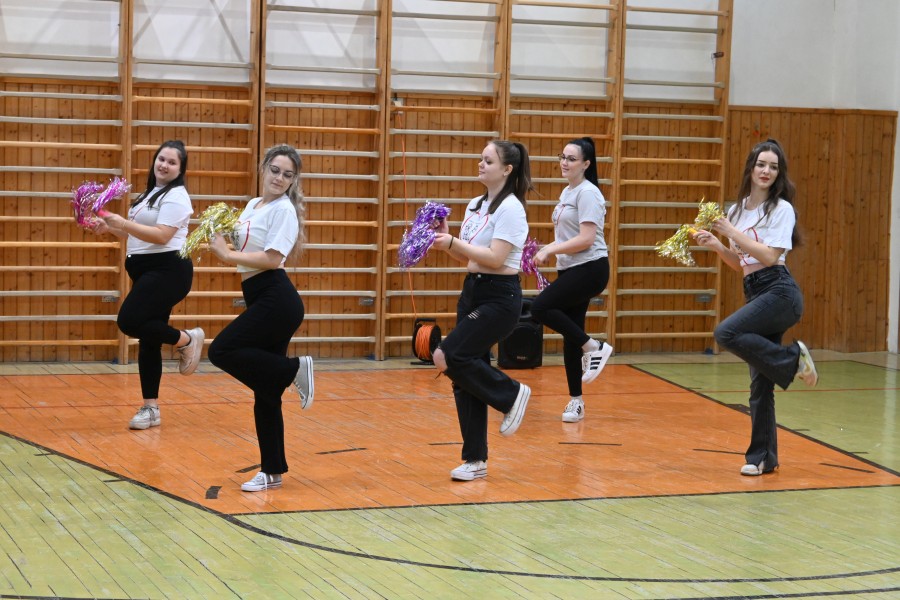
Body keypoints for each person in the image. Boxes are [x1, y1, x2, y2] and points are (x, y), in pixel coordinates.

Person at [693, 138, 818, 477]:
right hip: (755, 291)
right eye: (761, 164)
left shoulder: (781, 209)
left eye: (773, 167)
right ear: (750, 168)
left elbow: (769, 256)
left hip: (780, 292)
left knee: (725, 332)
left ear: (779, 174)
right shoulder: (736, 210)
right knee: (760, 384)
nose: (766, 171)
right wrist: (718, 246)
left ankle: (794, 359)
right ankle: (762, 458)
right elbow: (742, 263)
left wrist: (731, 231)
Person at [207, 143, 314, 493]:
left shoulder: (284, 210)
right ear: (264, 167)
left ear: (293, 180)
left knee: (221, 350)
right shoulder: (254, 205)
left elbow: (271, 258)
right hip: (260, 296)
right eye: (275, 170)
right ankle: (272, 470)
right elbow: (247, 246)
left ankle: (294, 369)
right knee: (265, 392)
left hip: (276, 299)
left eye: (287, 175)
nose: (279, 178)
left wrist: (227, 255)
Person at [429, 140, 533, 482]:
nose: (481, 164)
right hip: (472, 291)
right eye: (481, 159)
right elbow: (469, 256)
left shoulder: (512, 208)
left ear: (507, 169)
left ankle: (511, 394)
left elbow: (496, 258)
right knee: (462, 376)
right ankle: (475, 459)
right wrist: (448, 241)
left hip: (499, 297)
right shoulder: (475, 205)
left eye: (488, 161)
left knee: (448, 355)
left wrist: (454, 243)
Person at [97, 140, 204, 430]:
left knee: (129, 321)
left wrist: (121, 222)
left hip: (168, 271)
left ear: (180, 169)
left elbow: (161, 236)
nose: (164, 165)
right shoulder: (149, 194)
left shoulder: (177, 196)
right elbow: (138, 237)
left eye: (172, 162)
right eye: (161, 159)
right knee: (149, 339)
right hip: (147, 271)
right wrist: (111, 228)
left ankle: (187, 339)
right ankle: (151, 408)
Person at [530, 137, 613, 423]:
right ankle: (576, 401)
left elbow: (587, 239)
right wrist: (545, 249)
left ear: (586, 164)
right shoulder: (568, 191)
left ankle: (594, 347)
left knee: (540, 308)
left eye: (571, 158)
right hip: (570, 269)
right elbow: (568, 236)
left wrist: (550, 250)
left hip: (590, 269)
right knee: (570, 335)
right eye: (562, 157)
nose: (564, 163)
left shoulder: (588, 193)